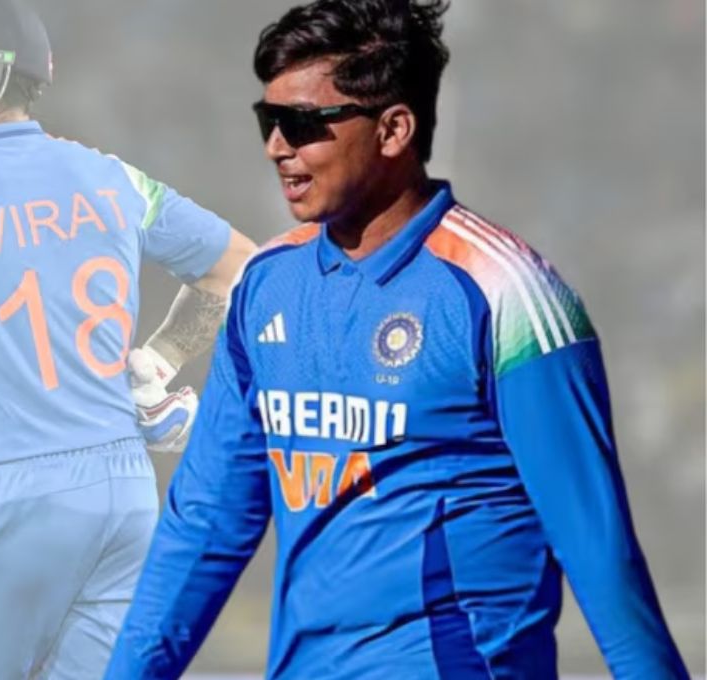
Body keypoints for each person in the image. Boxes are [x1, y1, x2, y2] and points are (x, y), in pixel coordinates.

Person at [106, 1, 690, 678]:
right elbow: (204, 526)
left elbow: (597, 549)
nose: (277, 146)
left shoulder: (506, 295)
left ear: (392, 129)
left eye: (303, 123)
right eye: (269, 121)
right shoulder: (266, 285)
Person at [0, 0, 256, 676]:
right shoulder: (114, 178)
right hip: (124, 493)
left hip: (4, 498)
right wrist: (159, 361)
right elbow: (242, 268)